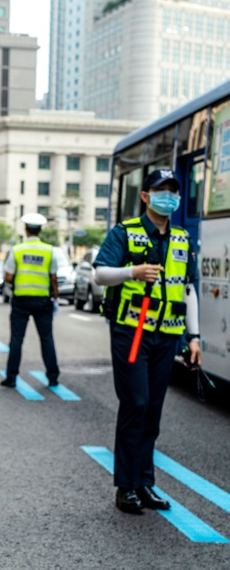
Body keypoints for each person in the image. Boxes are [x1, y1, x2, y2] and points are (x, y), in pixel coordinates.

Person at [93, 168, 200, 515]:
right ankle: (126, 486)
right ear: (145, 196)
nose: (167, 196)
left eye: (172, 191)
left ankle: (144, 482)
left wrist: (194, 337)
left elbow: (188, 289)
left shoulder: (182, 238)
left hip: (167, 334)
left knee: (152, 408)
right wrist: (132, 272)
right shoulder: (125, 232)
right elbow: (100, 274)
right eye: (160, 190)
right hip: (131, 331)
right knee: (136, 402)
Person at [1, 213, 60, 388]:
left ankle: (11, 377)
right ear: (40, 230)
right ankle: (53, 376)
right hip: (43, 301)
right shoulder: (49, 251)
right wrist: (55, 297)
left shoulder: (17, 250)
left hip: (21, 301)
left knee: (16, 340)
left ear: (25, 230)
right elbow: (54, 278)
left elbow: (9, 277)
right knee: (47, 339)